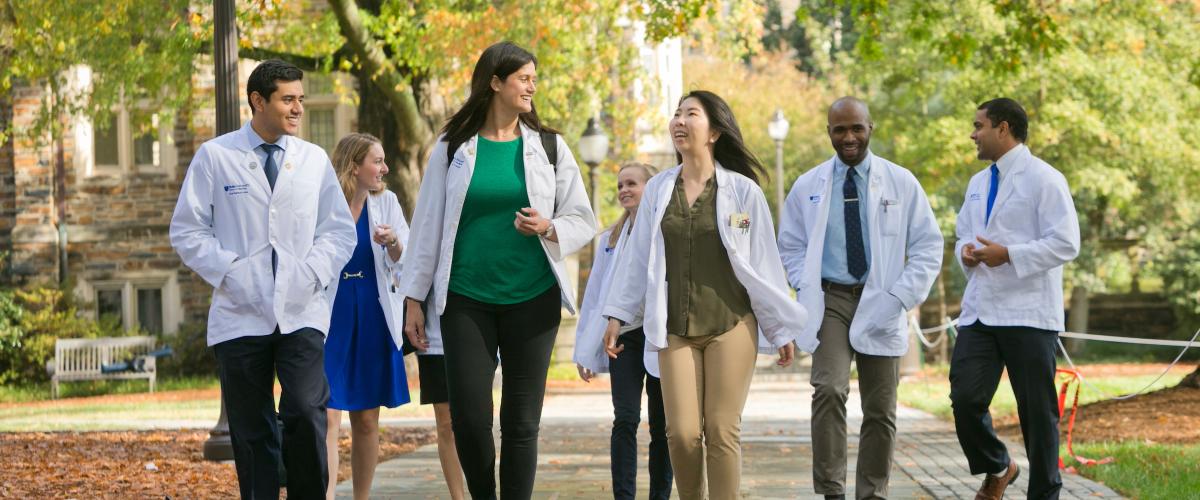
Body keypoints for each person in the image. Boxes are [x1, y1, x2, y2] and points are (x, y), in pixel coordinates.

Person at [398, 41, 597, 499]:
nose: (532, 86)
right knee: (468, 419)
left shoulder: (549, 146)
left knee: (522, 423)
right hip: (466, 299)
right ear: (495, 82)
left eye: (533, 78)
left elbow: (582, 218)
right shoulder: (452, 147)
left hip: (533, 297)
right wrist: (413, 297)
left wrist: (548, 227)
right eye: (523, 78)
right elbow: (427, 224)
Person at [602, 90, 806, 500]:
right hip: (674, 328)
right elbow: (637, 259)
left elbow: (763, 266)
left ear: (713, 131)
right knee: (680, 433)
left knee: (720, 429)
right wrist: (616, 315)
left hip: (731, 325)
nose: (679, 121)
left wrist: (780, 328)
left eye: (690, 114)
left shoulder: (743, 192)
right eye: (676, 114)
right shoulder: (658, 190)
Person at [169, 59, 356, 499]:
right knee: (252, 431)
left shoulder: (312, 160)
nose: (298, 109)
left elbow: (337, 230)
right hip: (240, 313)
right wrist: (234, 273)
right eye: (287, 100)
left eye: (301, 100)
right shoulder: (216, 156)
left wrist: (311, 272)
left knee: (308, 413)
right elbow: (187, 230)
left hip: (301, 310)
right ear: (258, 101)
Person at [777, 97, 943, 500]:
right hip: (830, 299)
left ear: (871, 128)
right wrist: (805, 283)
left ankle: (872, 493)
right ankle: (832, 490)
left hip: (882, 299)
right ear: (829, 132)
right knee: (829, 389)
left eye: (856, 128)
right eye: (840, 130)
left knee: (881, 408)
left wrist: (900, 296)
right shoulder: (809, 185)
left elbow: (928, 246)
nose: (848, 137)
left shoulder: (900, 182)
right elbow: (790, 246)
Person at [950, 97, 1080, 500]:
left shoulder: (1045, 178)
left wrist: (1009, 254)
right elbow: (962, 236)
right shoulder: (977, 184)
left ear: (1002, 128)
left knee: (1038, 414)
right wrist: (966, 253)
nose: (973, 134)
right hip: (981, 313)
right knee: (965, 398)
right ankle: (998, 465)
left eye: (979, 126)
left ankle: (1045, 494)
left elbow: (1066, 243)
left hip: (1028, 313)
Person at [575, 162, 673, 500]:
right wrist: (585, 349)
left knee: (663, 426)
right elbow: (595, 297)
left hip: (662, 335)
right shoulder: (610, 239)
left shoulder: (667, 230)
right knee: (626, 419)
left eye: (632, 183)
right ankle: (624, 496)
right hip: (625, 338)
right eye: (619, 185)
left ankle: (660, 495)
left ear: (652, 188)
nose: (623, 190)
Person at [322, 133, 411, 500]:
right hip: (332, 312)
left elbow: (405, 260)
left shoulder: (387, 201)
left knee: (367, 417)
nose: (384, 168)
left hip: (374, 311)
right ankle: (324, 494)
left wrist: (392, 242)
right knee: (326, 413)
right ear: (354, 166)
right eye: (377, 161)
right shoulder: (324, 203)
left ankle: (361, 497)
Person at [411, 292, 466, 500]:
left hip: (478, 333)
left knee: (475, 422)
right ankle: (458, 497)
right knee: (446, 424)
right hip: (434, 340)